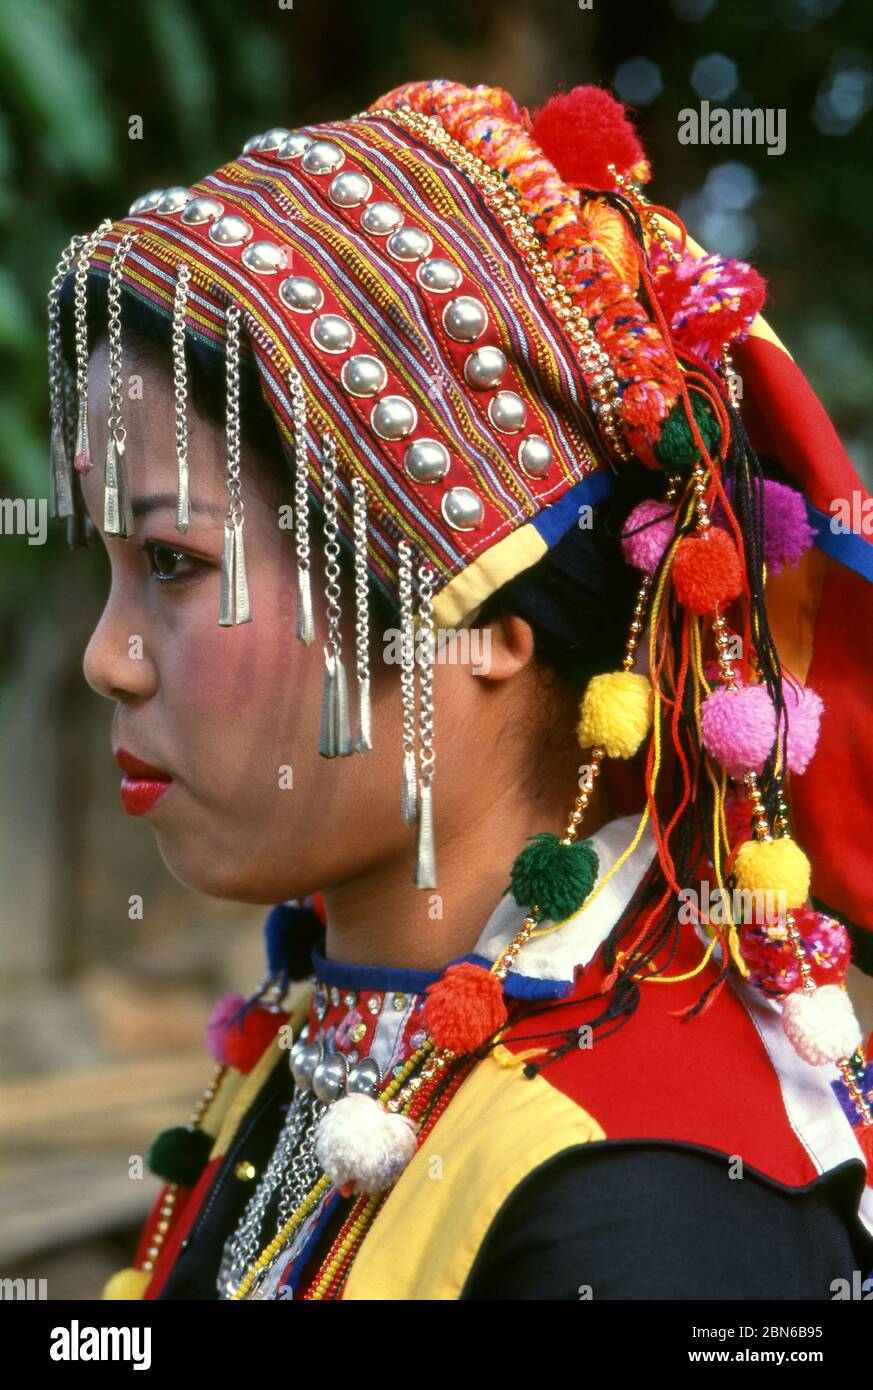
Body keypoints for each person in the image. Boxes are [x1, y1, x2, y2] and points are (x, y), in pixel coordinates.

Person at [47, 78, 873, 1301]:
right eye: (108, 568)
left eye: (174, 562)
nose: (105, 658)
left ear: (475, 608)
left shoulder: (652, 1205)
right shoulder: (328, 1038)